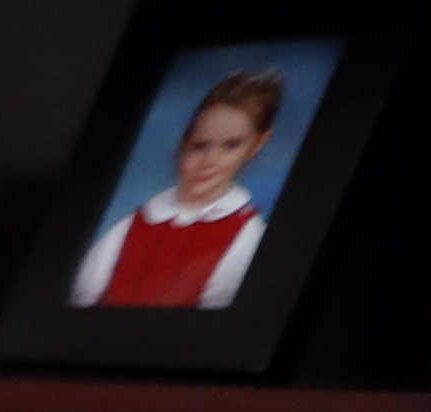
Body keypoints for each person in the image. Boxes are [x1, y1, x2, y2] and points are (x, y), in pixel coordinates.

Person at [73, 64, 290, 309]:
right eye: (200, 146)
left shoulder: (248, 237)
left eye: (230, 146)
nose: (210, 162)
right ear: (185, 144)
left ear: (257, 144)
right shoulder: (134, 225)